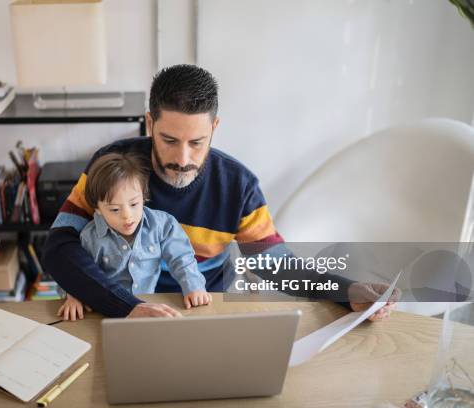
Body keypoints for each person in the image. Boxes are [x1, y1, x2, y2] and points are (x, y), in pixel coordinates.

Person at [43, 64, 399, 320]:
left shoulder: (238, 185)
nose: (183, 159)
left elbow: (276, 264)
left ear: (215, 128)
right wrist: (126, 306)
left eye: (197, 142)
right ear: (149, 123)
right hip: (122, 304)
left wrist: (345, 290)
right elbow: (59, 247)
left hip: (203, 308)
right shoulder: (111, 165)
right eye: (169, 140)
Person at [57, 152, 212, 321]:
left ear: (144, 197)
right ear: (98, 210)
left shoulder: (162, 224)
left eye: (134, 204)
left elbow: (181, 258)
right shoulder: (90, 237)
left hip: (149, 308)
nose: (127, 216)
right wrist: (74, 295)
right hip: (107, 312)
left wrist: (193, 286)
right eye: (115, 209)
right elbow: (79, 272)